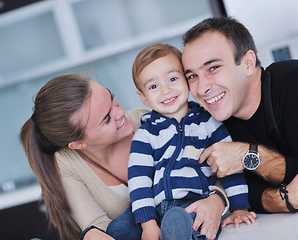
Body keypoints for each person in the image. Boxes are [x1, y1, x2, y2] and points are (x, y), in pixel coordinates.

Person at [20, 73, 230, 240]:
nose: (120, 113)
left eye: (111, 99)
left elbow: (218, 162)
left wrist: (217, 199)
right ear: (78, 144)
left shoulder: (150, 122)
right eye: (106, 119)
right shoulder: (67, 164)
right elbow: (98, 230)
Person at [128, 43, 256, 240]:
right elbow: (139, 182)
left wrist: (240, 208)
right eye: (154, 86)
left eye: (172, 79)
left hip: (195, 202)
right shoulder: (145, 134)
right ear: (143, 98)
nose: (166, 90)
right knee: (119, 229)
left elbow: (230, 167)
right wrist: (148, 225)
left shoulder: (209, 123)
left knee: (195, 225)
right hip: (153, 209)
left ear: (187, 80)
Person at [182, 16, 298, 215]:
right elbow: (242, 194)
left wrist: (246, 154)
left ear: (247, 63)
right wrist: (281, 199)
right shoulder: (208, 123)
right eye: (192, 76)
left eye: (213, 67)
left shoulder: (291, 82)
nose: (202, 88)